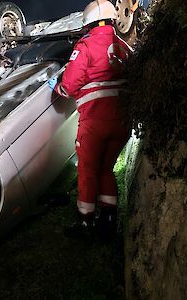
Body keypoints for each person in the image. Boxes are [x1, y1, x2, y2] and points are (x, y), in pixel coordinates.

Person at [48, 0, 133, 240]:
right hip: (123, 120)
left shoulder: (86, 45)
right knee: (106, 168)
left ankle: (85, 221)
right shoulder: (124, 46)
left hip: (96, 119)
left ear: (89, 22)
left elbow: (71, 82)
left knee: (88, 169)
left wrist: (57, 88)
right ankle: (108, 220)